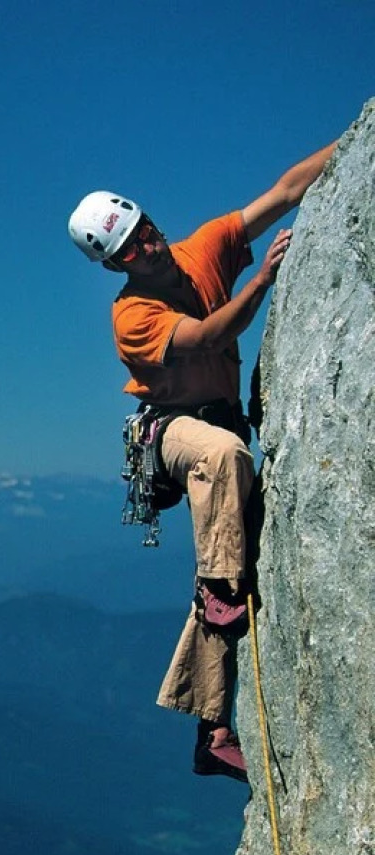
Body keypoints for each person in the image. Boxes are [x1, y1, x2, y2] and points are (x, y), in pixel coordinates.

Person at [68, 140, 336, 783]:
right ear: (115, 266)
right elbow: (210, 336)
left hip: (221, 425)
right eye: (130, 249)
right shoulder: (133, 315)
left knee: (232, 561)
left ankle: (211, 731)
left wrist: (356, 136)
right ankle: (219, 589)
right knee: (222, 461)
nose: (147, 247)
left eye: (145, 231)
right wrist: (261, 282)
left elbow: (285, 191)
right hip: (171, 432)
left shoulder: (205, 248)